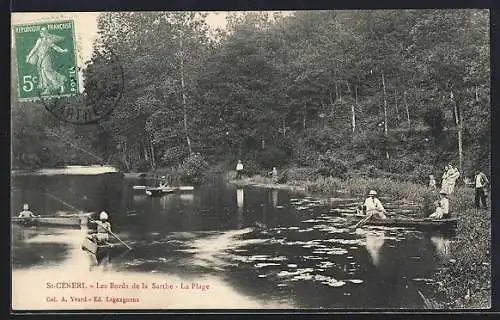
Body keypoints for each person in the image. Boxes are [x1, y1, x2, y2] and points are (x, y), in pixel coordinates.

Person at [26, 27, 69, 95]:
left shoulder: (49, 40)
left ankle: (60, 85)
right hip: (40, 59)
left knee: (48, 72)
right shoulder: (39, 40)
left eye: (42, 32)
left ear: (45, 33)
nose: (41, 33)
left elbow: (55, 47)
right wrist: (29, 56)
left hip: (46, 58)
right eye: (40, 32)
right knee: (43, 74)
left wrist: (62, 51)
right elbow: (34, 49)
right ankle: (47, 90)